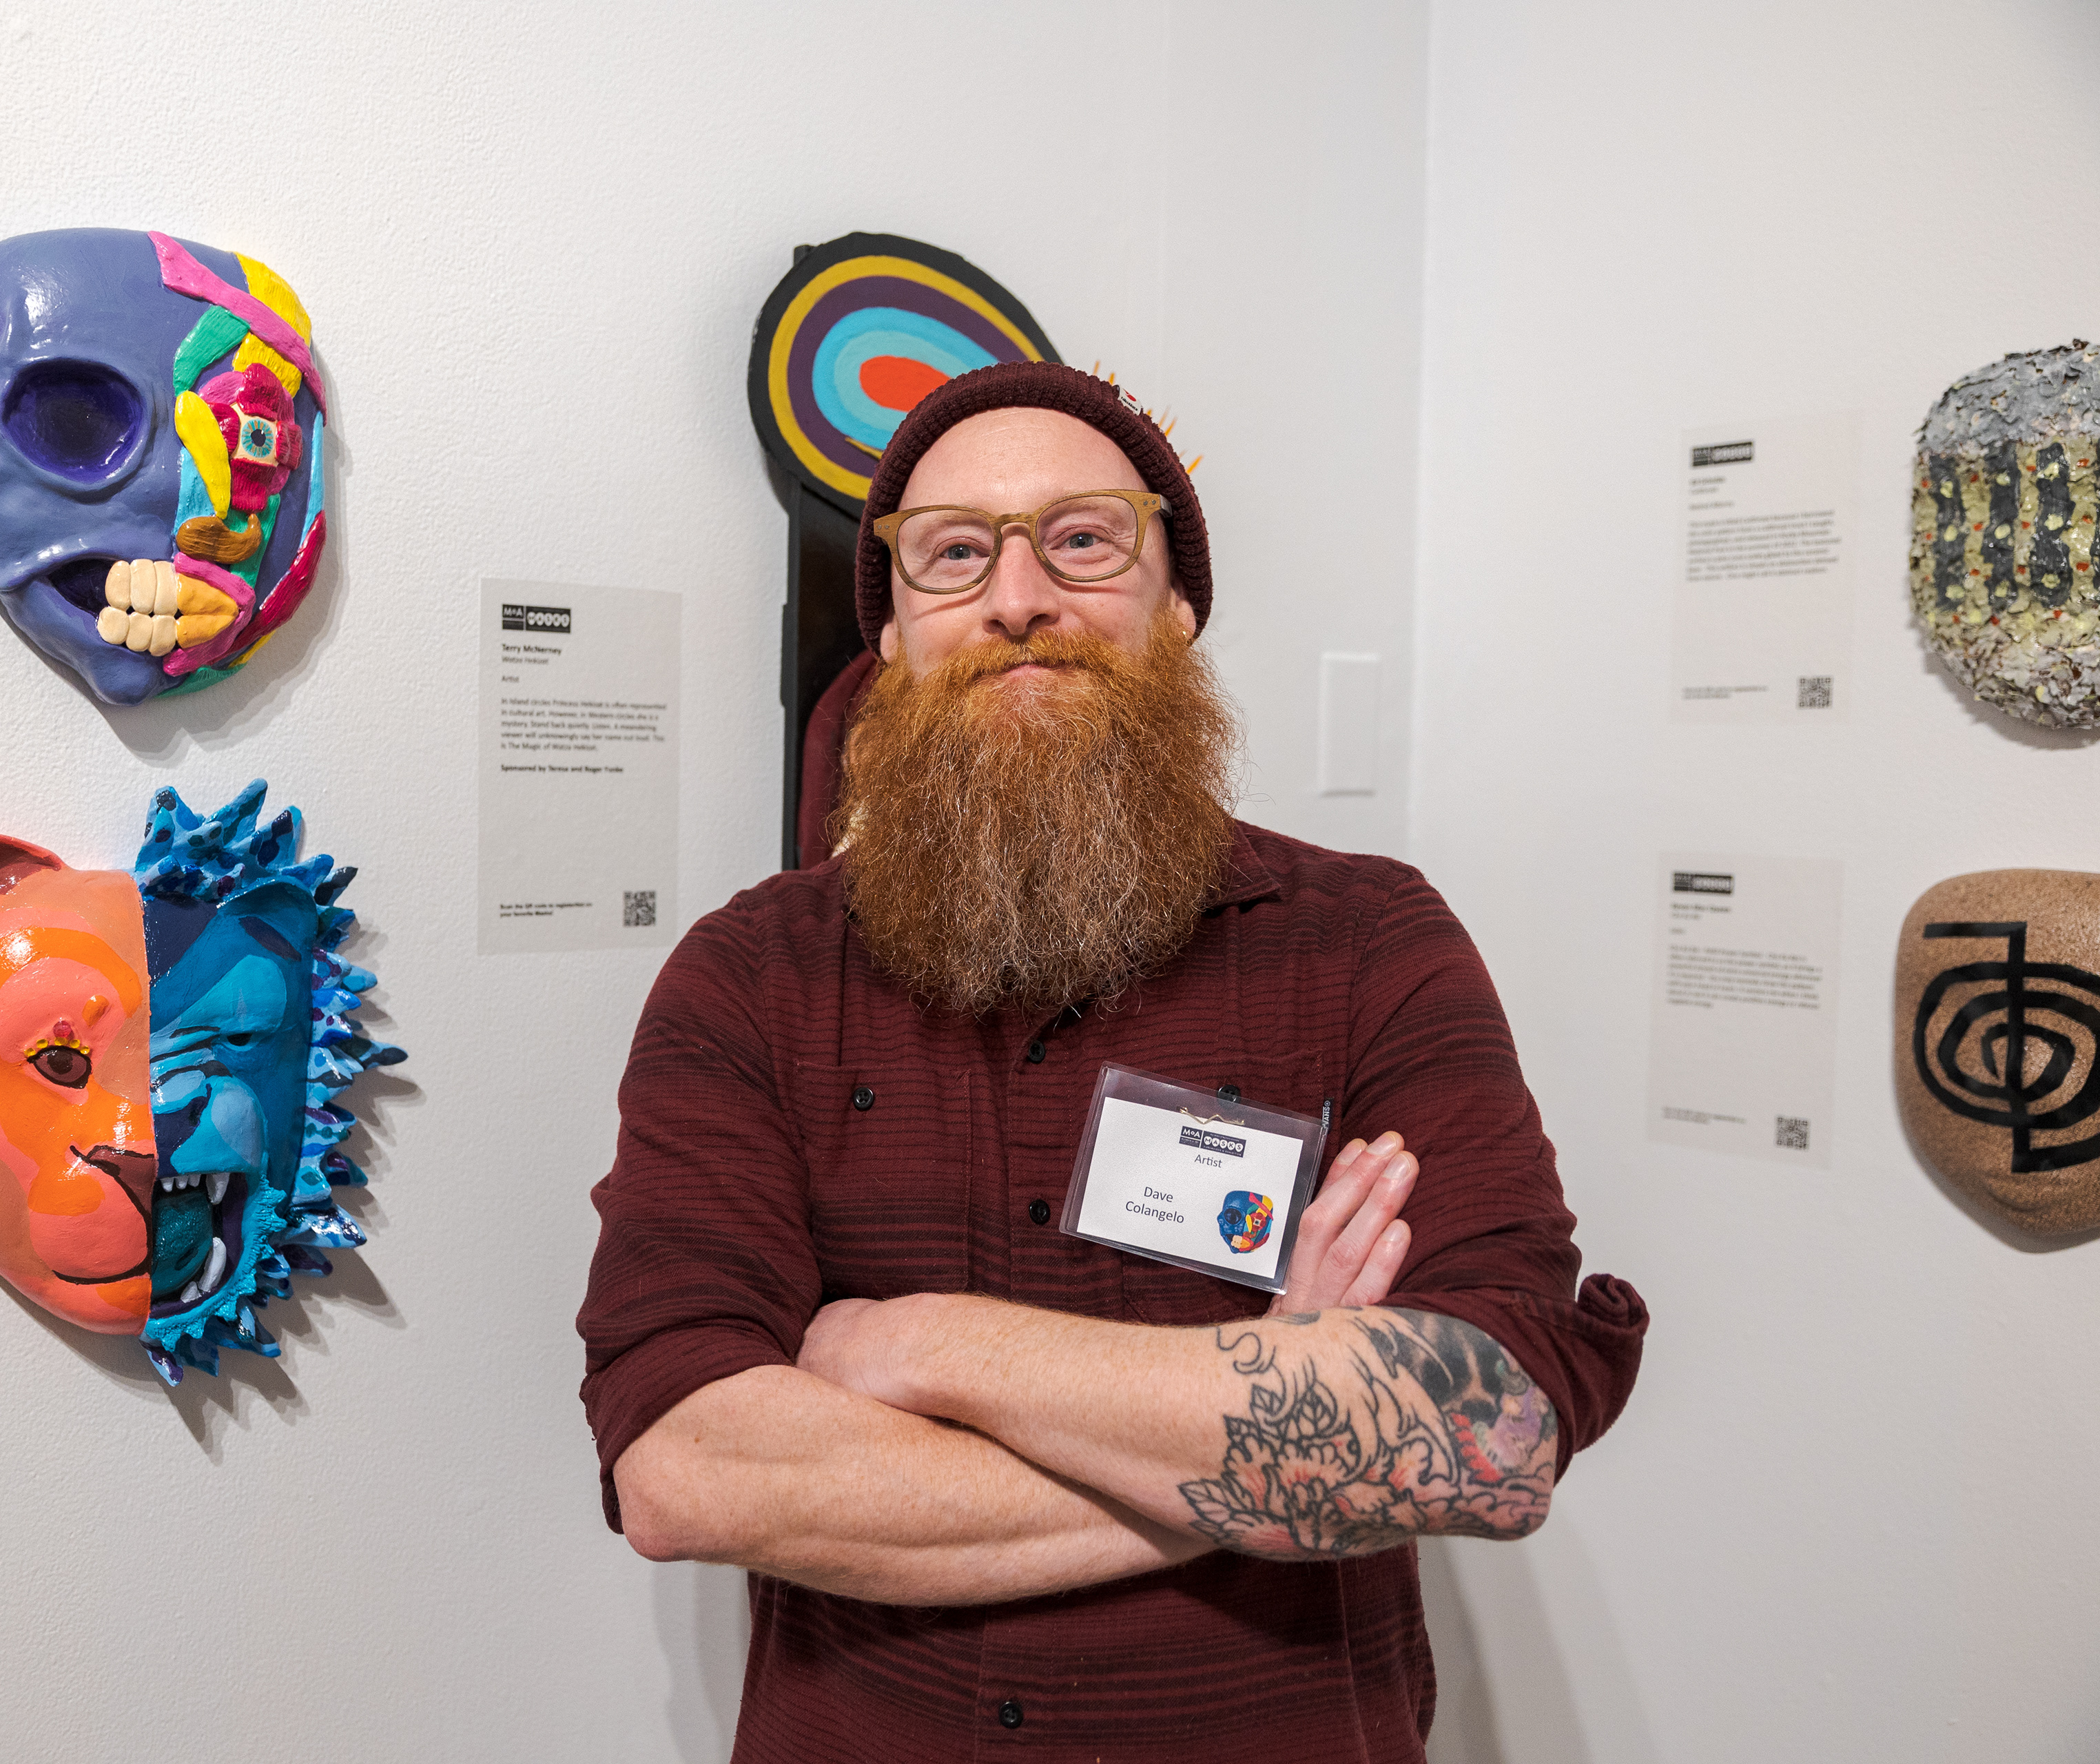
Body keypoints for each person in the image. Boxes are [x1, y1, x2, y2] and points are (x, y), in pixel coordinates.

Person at [575, 360, 1646, 1761]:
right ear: (893, 631)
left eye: (1083, 538)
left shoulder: (1371, 940)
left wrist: (908, 1342)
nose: (1020, 597)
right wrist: (1273, 1420)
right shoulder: (752, 975)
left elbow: (1484, 1428)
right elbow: (685, 1463)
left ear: (1177, 606)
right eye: (956, 554)